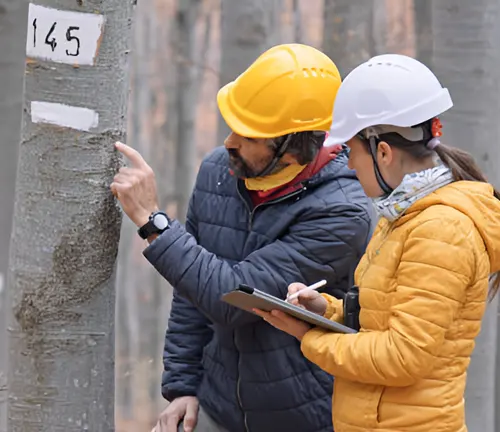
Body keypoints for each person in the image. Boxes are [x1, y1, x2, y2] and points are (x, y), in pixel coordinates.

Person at [111, 43, 373, 432]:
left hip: (303, 419)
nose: (230, 141)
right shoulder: (219, 169)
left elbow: (235, 298)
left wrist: (154, 223)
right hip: (219, 407)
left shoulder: (342, 211)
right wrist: (183, 386)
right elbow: (192, 290)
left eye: (249, 135)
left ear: (293, 148)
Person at [255, 53, 500, 432]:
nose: (350, 165)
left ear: (382, 152)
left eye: (351, 152)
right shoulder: (404, 217)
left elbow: (404, 356)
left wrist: (310, 338)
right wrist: (326, 311)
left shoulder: (442, 231)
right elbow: (382, 323)